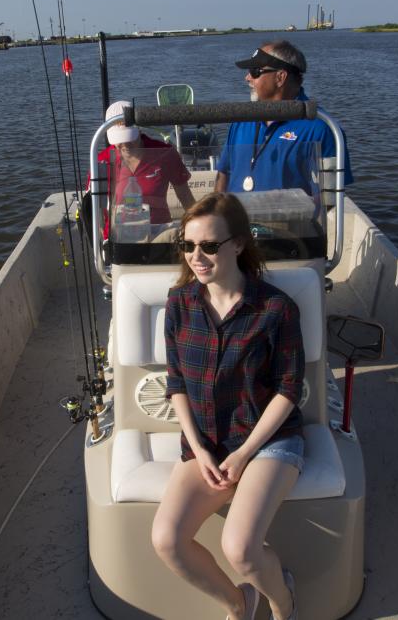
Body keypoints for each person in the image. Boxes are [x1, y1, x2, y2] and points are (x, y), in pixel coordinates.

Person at [152, 192, 303, 620]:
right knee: (167, 539)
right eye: (188, 245)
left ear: (238, 243)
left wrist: (243, 453)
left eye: (209, 246)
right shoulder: (179, 303)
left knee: (240, 548)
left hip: (268, 441)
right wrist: (200, 450)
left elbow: (289, 389)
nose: (196, 257)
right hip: (207, 442)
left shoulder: (275, 309)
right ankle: (239, 604)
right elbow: (176, 380)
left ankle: (284, 604)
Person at [214, 40, 353, 195]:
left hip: (291, 219)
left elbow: (331, 195)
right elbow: (223, 174)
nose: (247, 78)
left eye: (255, 71)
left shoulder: (322, 128)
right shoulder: (241, 120)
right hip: (236, 218)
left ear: (280, 77)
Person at [99, 100, 195, 239]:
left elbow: (185, 196)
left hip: (159, 234)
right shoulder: (102, 160)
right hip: (118, 237)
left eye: (128, 137)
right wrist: (102, 235)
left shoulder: (164, 152)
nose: (124, 144)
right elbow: (95, 206)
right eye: (119, 139)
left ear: (139, 129)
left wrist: (199, 226)